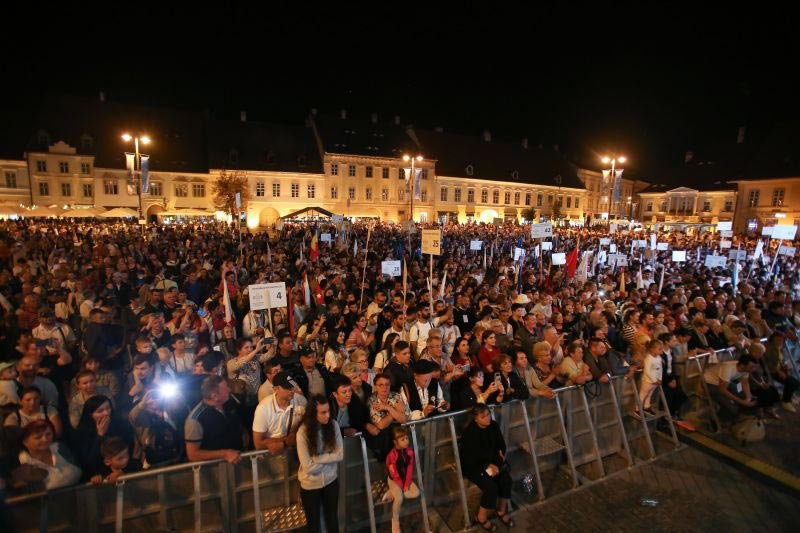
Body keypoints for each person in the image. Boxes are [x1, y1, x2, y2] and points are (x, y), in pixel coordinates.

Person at [459, 404, 513, 531]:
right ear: (476, 419)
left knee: (506, 480)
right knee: (491, 487)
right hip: (474, 467)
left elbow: (501, 445)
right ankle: (481, 517)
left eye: (488, 414)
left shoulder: (493, 425)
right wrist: (487, 466)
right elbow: (471, 457)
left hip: (493, 462)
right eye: (483, 417)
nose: (488, 418)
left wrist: (498, 461)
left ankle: (501, 510)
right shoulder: (470, 433)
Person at [296, 394, 343, 533]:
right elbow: (308, 467)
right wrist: (329, 458)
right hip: (310, 485)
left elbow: (339, 455)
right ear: (313, 413)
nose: (327, 415)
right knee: (313, 524)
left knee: (332, 520)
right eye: (323, 412)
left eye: (328, 411)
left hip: (331, 480)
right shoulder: (303, 432)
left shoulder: (333, 425)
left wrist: (317, 459)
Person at [184, 376, 244, 464]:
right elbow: (193, 454)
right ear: (215, 396)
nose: (229, 389)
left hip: (239, 461)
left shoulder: (230, 404)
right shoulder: (196, 419)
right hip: (216, 468)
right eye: (226, 388)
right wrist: (224, 454)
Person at [71, 395, 131, 481]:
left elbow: (129, 453)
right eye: (100, 411)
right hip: (99, 478)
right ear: (91, 415)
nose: (106, 413)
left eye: (108, 408)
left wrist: (121, 471)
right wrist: (100, 435)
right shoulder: (81, 433)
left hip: (125, 472)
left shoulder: (120, 425)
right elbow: (88, 463)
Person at [16, 419, 81, 490]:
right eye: (38, 437)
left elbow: (80, 470)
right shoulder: (22, 462)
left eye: (48, 434)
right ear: (25, 442)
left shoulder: (60, 448)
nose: (45, 439)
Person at [252, 371, 306, 454]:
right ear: (275, 389)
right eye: (287, 388)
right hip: (273, 454)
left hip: (296, 451)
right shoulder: (263, 408)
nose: (291, 390)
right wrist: (286, 441)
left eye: (292, 387)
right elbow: (258, 444)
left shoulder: (301, 400)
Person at [703, 354, 759, 423]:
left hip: (725, 383)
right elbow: (722, 390)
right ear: (742, 366)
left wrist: (748, 397)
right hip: (709, 383)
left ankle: (740, 416)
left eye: (754, 367)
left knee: (742, 394)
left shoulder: (745, 369)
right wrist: (743, 402)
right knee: (733, 408)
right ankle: (719, 420)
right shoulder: (728, 368)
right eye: (752, 367)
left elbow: (745, 383)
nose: (754, 369)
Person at [385, 426, 420, 533]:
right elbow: (394, 474)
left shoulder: (409, 452)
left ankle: (393, 493)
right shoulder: (391, 456)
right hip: (393, 480)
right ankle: (395, 522)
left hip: (404, 479)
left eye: (407, 438)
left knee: (416, 493)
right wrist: (401, 486)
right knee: (399, 498)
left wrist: (407, 483)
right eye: (402, 439)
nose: (406, 441)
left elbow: (410, 468)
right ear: (395, 442)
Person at [367, 373, 410, 460]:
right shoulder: (372, 400)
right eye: (381, 385)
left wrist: (388, 408)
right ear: (375, 386)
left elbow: (404, 419)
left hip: (399, 439)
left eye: (387, 384)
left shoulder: (396, 396)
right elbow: (381, 425)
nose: (384, 387)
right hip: (383, 443)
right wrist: (394, 411)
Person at [763, 332, 798, 412]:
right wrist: (779, 372)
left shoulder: (779, 347)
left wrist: (785, 367)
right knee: (790, 383)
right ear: (773, 339)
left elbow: (781, 360)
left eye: (781, 340)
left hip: (779, 369)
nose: (780, 341)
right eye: (778, 339)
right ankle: (786, 402)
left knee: (795, 382)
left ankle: (787, 397)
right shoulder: (769, 349)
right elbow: (769, 364)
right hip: (772, 371)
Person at [635, 339, 664, 418]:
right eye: (659, 349)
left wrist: (660, 378)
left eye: (662, 349)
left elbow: (660, 369)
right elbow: (647, 371)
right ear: (652, 349)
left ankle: (646, 406)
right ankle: (637, 409)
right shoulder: (648, 358)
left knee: (650, 394)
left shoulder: (659, 358)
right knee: (642, 395)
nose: (661, 351)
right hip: (648, 381)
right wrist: (654, 380)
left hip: (656, 381)